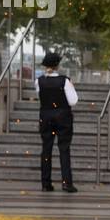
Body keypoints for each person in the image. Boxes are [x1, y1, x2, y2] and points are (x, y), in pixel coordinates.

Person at [36, 51, 78, 193]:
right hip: (63, 118)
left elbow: (41, 97)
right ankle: (66, 183)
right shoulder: (64, 81)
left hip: (46, 117)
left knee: (46, 150)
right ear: (57, 65)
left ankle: (45, 183)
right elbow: (73, 101)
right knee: (64, 149)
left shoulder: (39, 81)